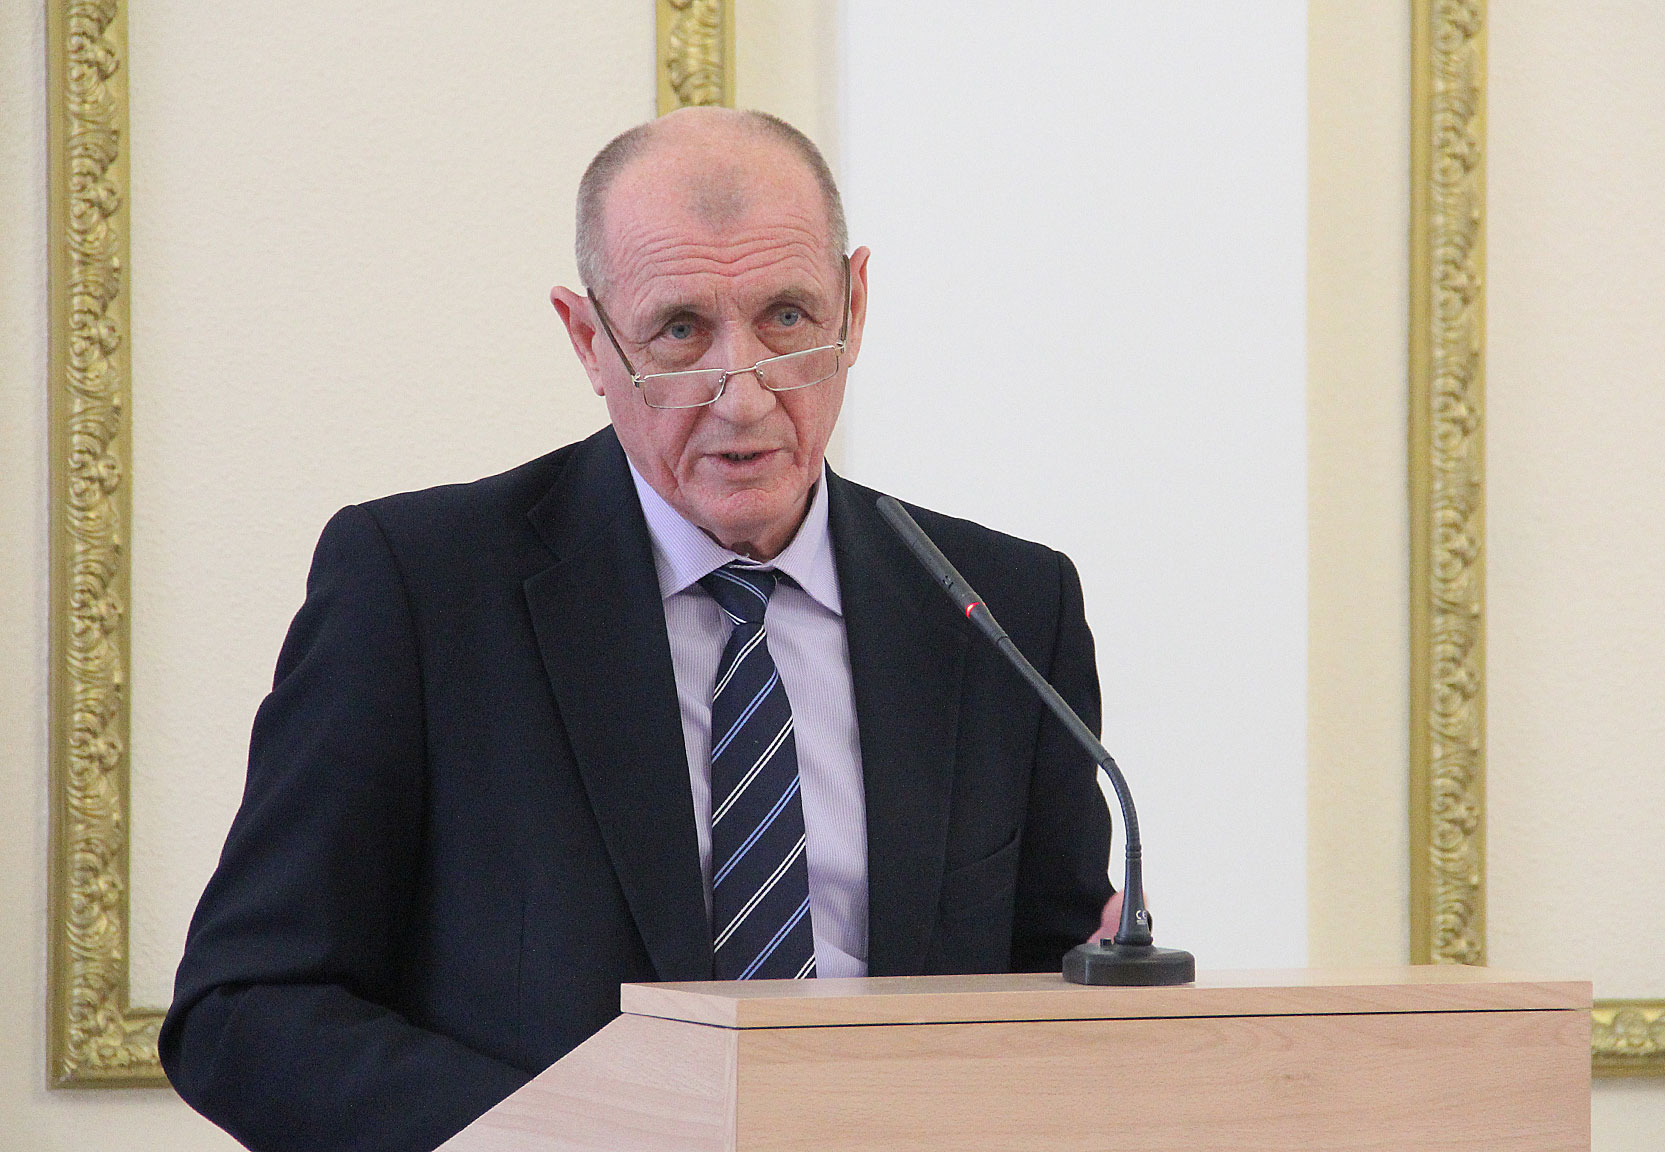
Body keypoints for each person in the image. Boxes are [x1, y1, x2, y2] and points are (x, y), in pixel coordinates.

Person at [159, 107, 1116, 1152]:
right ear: (589, 340)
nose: (743, 395)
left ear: (856, 305)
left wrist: (1118, 993)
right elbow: (246, 1008)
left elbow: (1056, 989)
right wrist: (550, 1138)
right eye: (681, 332)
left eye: (788, 317)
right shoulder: (422, 590)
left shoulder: (1001, 611)